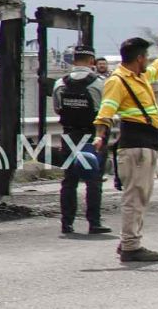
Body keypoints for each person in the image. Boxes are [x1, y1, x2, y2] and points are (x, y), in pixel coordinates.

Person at [93, 32, 158, 262]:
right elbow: (107, 109)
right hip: (135, 147)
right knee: (135, 197)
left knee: (140, 196)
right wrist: (99, 135)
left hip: (145, 145)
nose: (150, 62)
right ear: (140, 58)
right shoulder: (118, 80)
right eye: (147, 57)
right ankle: (131, 246)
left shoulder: (139, 77)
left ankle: (129, 242)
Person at [52, 45, 112, 235]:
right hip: (92, 136)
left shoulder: (60, 83)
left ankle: (66, 223)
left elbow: (57, 109)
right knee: (93, 180)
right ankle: (94, 222)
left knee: (69, 180)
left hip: (69, 135)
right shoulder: (99, 83)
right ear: (92, 61)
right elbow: (105, 111)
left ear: (73, 60)